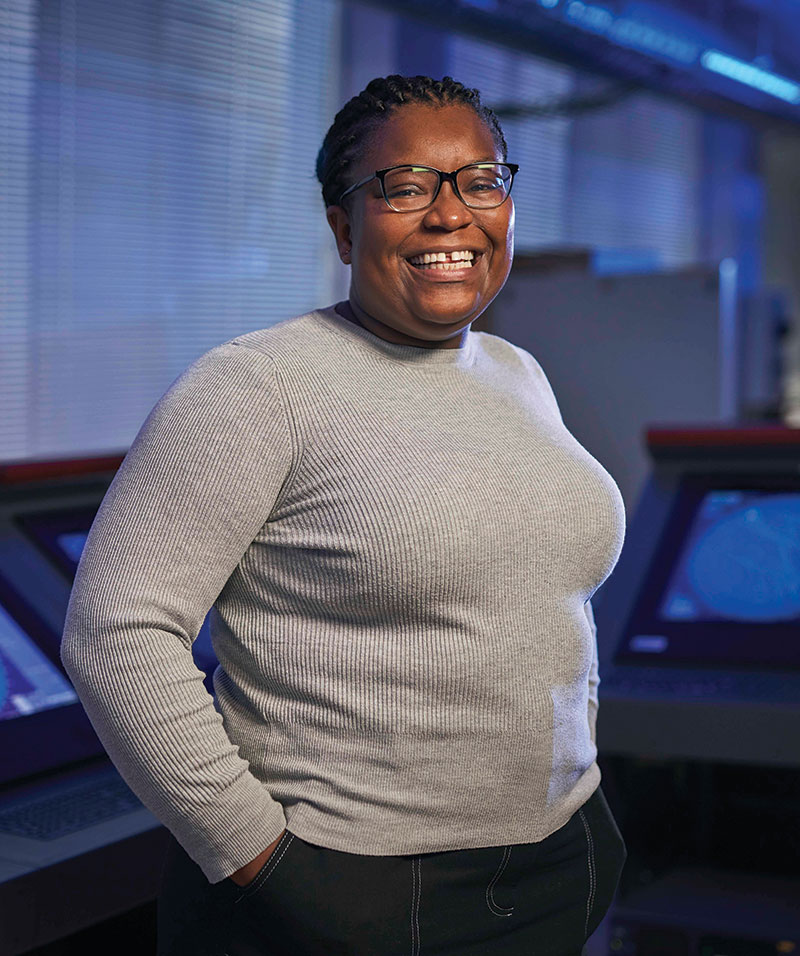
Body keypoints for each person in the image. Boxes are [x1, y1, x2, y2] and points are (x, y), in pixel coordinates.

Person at [60, 74, 628, 956]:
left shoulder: (517, 372)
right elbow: (115, 633)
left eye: (480, 181)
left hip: (555, 861)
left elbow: (537, 601)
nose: (451, 216)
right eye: (406, 188)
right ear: (342, 224)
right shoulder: (255, 388)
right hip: (347, 885)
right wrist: (257, 856)